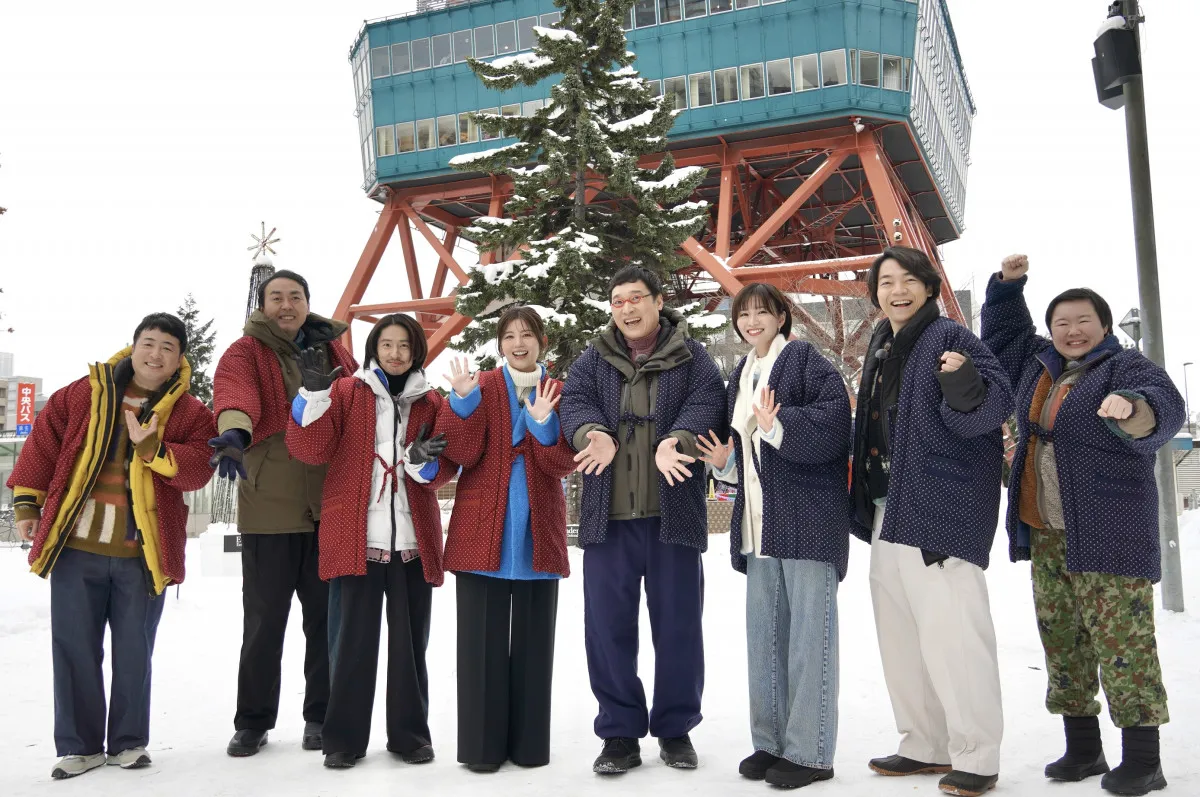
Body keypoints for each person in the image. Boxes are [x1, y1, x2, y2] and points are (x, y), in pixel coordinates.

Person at [981, 254, 1183, 796]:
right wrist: (1007, 287)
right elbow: (1002, 336)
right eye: (1061, 323)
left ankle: (1144, 758)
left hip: (1110, 532)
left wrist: (1133, 408)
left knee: (1123, 641)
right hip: (1046, 531)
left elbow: (1166, 406)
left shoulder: (1127, 368)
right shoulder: (1038, 367)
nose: (1072, 331)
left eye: (1083, 321)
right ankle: (1084, 747)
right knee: (1063, 640)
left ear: (1104, 325)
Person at [8, 313, 216, 779]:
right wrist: (27, 506)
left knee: (133, 650)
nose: (155, 354)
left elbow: (199, 468)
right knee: (74, 647)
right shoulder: (84, 393)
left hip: (142, 552)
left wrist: (152, 449)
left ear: (179, 358)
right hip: (75, 547)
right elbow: (43, 445)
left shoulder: (190, 412)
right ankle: (79, 746)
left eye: (167, 347)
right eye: (148, 342)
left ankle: (127, 742)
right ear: (133, 345)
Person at [849, 247, 1013, 797]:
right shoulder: (882, 343)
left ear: (929, 286)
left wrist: (963, 381)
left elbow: (992, 409)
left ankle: (977, 753)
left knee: (953, 635)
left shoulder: (952, 339)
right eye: (886, 282)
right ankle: (924, 742)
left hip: (937, 508)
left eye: (908, 280)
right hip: (887, 506)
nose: (897, 291)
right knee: (901, 632)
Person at [560, 266, 726, 775]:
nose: (627, 309)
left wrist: (676, 438)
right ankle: (619, 733)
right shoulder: (592, 360)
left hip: (671, 514)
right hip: (609, 520)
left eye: (636, 298)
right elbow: (574, 403)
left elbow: (708, 403)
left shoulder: (693, 357)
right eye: (617, 300)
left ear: (658, 301)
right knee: (606, 628)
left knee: (678, 627)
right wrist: (592, 432)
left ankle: (675, 729)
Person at [696, 283, 851, 789]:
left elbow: (834, 423)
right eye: (744, 314)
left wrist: (781, 424)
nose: (752, 321)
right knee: (764, 639)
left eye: (763, 312)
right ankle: (770, 742)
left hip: (807, 521)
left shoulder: (805, 359)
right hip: (757, 524)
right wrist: (725, 465)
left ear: (783, 316)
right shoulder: (741, 373)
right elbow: (746, 452)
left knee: (810, 638)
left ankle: (810, 752)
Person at [286, 313, 451, 768]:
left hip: (412, 544)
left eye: (404, 346)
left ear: (416, 351)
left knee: (410, 649)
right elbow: (309, 449)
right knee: (350, 647)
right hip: (356, 540)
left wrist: (420, 462)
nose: (395, 354)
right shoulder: (344, 393)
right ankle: (342, 739)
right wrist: (312, 394)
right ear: (374, 349)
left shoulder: (431, 402)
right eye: (387, 345)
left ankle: (410, 736)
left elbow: (443, 469)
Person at [210, 269, 358, 757]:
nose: (286, 305)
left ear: (307, 302)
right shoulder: (245, 352)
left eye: (295, 296)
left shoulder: (334, 350)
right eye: (277, 297)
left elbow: (357, 401)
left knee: (324, 621)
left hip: (327, 507)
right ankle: (252, 720)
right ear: (264, 304)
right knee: (264, 622)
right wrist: (234, 431)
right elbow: (236, 394)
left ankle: (321, 715)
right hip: (270, 507)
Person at [435, 305, 577, 773]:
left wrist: (541, 425)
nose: (519, 343)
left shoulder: (557, 389)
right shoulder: (483, 386)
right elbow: (461, 452)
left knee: (536, 644)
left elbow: (561, 464)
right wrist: (462, 404)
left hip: (539, 524)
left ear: (542, 341)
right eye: (510, 336)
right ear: (500, 344)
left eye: (528, 334)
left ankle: (531, 745)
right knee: (480, 644)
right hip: (482, 526)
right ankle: (480, 748)